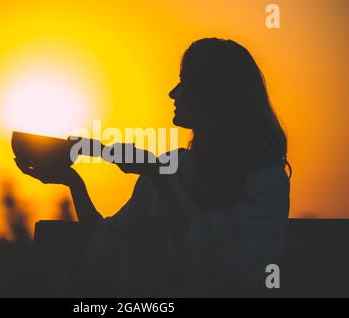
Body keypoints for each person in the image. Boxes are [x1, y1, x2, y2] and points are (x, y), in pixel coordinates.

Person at [15, 38, 291, 297]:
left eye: (186, 82)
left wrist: (158, 177)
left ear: (214, 96)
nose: (173, 93)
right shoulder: (174, 167)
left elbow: (219, 271)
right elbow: (109, 251)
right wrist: (74, 182)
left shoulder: (266, 183)